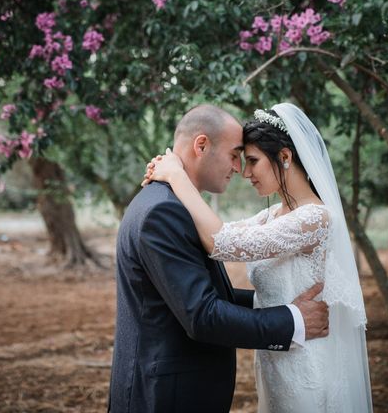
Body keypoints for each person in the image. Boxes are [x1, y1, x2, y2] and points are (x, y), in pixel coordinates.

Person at [144, 102, 373, 412]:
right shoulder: (272, 216)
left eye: (252, 161)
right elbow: (216, 233)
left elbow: (222, 243)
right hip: (276, 359)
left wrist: (178, 177)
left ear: (285, 157)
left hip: (307, 366)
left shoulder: (315, 218)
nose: (245, 173)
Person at [108, 105, 330, 413]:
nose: (240, 169)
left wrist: (280, 301)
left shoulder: (168, 203)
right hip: (166, 397)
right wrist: (294, 320)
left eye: (249, 159)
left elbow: (207, 290)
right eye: (235, 155)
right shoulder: (164, 210)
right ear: (201, 145)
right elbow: (203, 315)